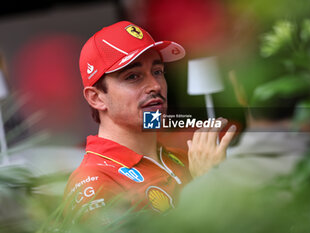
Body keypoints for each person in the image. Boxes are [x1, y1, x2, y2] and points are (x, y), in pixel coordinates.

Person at [63, 21, 235, 220]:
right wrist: (205, 184)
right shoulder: (93, 182)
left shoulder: (189, 158)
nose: (155, 86)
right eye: (133, 76)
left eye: (157, 72)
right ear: (96, 98)